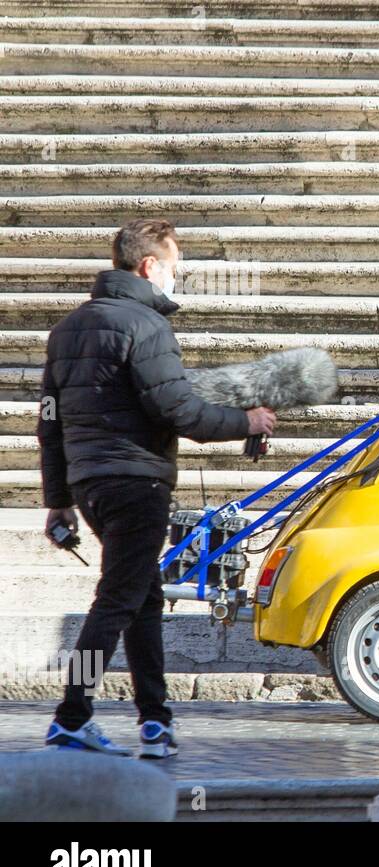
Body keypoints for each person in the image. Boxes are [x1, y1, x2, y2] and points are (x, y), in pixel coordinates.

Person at [39, 218, 277, 757]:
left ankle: (155, 721)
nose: (177, 279)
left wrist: (59, 501)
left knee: (141, 600)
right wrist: (248, 421)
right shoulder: (146, 327)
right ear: (149, 267)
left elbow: (49, 424)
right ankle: (71, 716)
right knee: (116, 601)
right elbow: (180, 411)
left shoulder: (68, 329)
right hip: (137, 482)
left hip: (92, 485)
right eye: (175, 269)